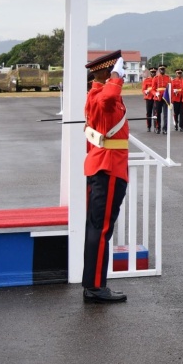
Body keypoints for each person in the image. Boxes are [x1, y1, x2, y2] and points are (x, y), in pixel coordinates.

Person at [82, 50, 130, 303]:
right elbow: (110, 96)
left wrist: (111, 78)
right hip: (108, 168)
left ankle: (93, 283)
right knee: (101, 230)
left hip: (101, 166)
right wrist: (115, 77)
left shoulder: (94, 94)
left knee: (97, 228)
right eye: (118, 71)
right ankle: (95, 287)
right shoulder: (103, 95)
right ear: (106, 72)